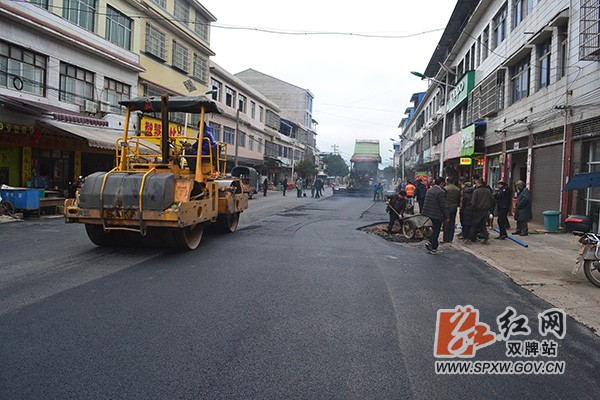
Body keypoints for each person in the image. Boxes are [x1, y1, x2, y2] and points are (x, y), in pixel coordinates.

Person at [421, 177, 448, 254]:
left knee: (434, 229)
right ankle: (430, 242)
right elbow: (443, 205)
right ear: (442, 183)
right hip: (436, 214)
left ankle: (434, 247)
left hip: (429, 213)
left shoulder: (429, 190)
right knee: (436, 231)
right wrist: (446, 216)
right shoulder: (440, 192)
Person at [467, 178, 492, 244]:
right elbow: (491, 200)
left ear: (479, 183)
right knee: (483, 224)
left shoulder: (476, 191)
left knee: (474, 224)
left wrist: (472, 208)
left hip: (478, 210)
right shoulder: (488, 191)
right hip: (486, 210)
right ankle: (486, 238)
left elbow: (473, 201)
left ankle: (469, 238)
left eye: (476, 183)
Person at [443, 177, 461, 243]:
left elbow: (443, 198)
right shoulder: (457, 189)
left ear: (447, 181)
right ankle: (450, 238)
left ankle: (446, 238)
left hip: (447, 207)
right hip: (454, 207)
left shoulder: (445, 188)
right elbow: (459, 199)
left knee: (446, 222)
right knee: (452, 223)